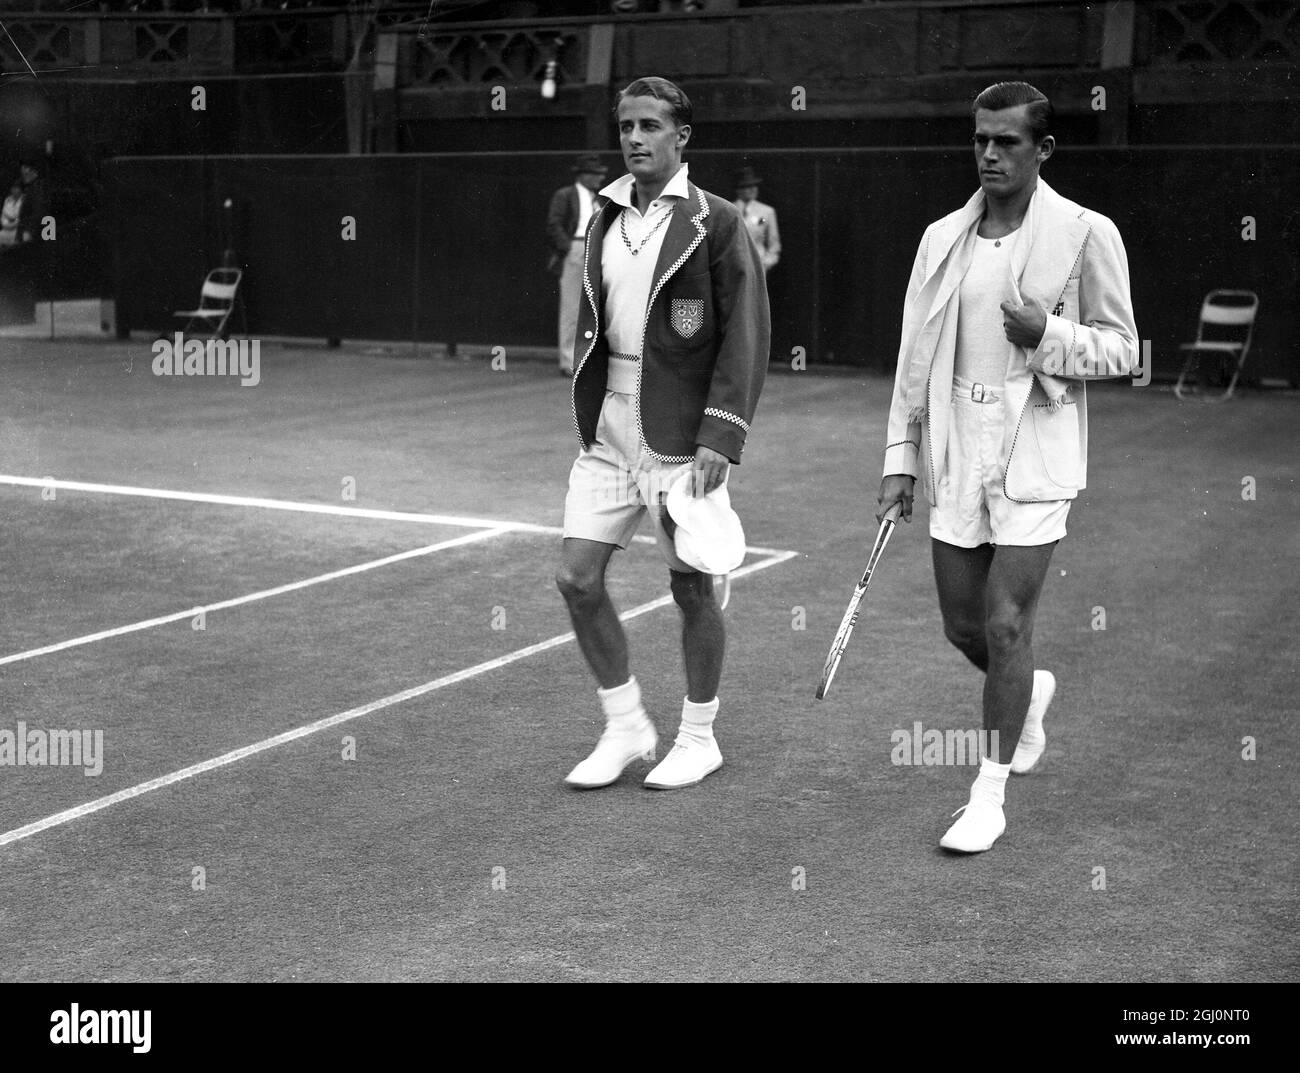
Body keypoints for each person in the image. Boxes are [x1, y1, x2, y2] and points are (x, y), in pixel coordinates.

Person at [876, 81, 1138, 852]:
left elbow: (1124, 348)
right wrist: (901, 459)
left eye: (1008, 142)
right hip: (957, 443)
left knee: (1005, 621)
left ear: (1042, 149)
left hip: (1037, 451)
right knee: (964, 625)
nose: (990, 154)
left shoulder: (1088, 233)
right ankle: (1030, 693)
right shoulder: (940, 238)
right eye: (980, 139)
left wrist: (1048, 333)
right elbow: (911, 360)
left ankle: (986, 796)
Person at [556, 76, 770, 791]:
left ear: (683, 137)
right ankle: (625, 726)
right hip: (609, 425)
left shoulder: (716, 221)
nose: (636, 139)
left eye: (651, 126)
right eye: (626, 126)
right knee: (576, 577)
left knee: (691, 587)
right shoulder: (606, 216)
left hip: (680, 430)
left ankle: (699, 736)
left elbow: (745, 335)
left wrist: (722, 433)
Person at [547, 154, 608, 376]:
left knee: (596, 307)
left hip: (597, 250)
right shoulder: (565, 195)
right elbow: (554, 224)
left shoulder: (599, 198)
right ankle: (568, 361)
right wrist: (569, 248)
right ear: (584, 176)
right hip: (576, 248)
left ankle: (588, 359)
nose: (600, 179)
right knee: (572, 308)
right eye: (596, 175)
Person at [733, 166, 780, 273]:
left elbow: (774, 245)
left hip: (758, 266)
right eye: (747, 186)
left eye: (754, 186)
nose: (752, 189)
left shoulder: (767, 211)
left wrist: (765, 264)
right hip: (734, 267)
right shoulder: (729, 209)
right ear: (739, 189)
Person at [0, 184, 22, 248]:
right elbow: (3, 216)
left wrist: (13, 220)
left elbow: (21, 217)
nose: (14, 190)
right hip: (6, 229)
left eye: (16, 188)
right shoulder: (7, 200)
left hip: (19, 230)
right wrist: (7, 224)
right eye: (13, 188)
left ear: (20, 189)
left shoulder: (24, 200)